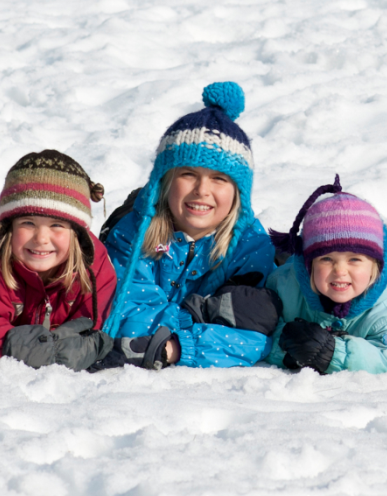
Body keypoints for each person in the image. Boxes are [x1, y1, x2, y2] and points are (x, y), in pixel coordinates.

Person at [98, 82, 278, 369]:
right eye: (188, 174)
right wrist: (195, 318)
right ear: (165, 182)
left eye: (219, 178)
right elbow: (125, 311)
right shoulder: (134, 234)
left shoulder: (250, 248)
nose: (201, 190)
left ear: (238, 193)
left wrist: (176, 347)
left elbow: (256, 336)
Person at [0, 150, 117, 370]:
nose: (41, 238)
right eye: (28, 223)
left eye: (57, 225)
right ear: (9, 227)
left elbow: (98, 326)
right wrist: (25, 349)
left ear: (76, 233)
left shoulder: (93, 267)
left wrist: (81, 349)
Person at [264, 177, 387, 377]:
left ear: (376, 265)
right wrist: (287, 348)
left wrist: (332, 354)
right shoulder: (283, 287)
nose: (340, 271)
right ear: (308, 265)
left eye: (354, 259)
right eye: (326, 259)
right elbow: (262, 332)